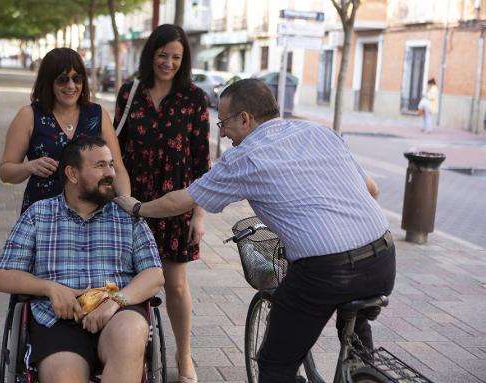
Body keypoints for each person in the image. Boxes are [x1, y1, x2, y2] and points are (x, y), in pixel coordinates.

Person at [115, 78, 396, 383]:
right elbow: (372, 190)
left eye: (223, 122)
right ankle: (363, 369)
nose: (221, 131)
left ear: (245, 119)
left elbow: (179, 201)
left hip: (325, 272)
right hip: (383, 257)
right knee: (354, 325)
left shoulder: (244, 157)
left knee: (275, 365)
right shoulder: (319, 131)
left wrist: (138, 207)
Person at [0, 136, 164, 383]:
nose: (110, 173)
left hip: (117, 312)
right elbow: (3, 276)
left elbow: (154, 274)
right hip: (58, 321)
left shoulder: (127, 217)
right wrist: (50, 288)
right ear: (72, 174)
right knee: (64, 376)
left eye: (111, 165)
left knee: (131, 331)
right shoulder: (39, 215)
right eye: (100, 166)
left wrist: (115, 302)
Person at [113, 24, 210, 383]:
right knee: (128, 280)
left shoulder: (194, 99)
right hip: (131, 204)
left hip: (174, 206)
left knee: (176, 285)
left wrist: (199, 214)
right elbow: (115, 149)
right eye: (162, 54)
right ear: (150, 53)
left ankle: (184, 357)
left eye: (175, 57)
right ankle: (127, 350)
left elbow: (202, 163)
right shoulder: (130, 92)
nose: (167, 62)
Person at [0, 47, 130, 214]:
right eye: (62, 79)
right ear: (48, 82)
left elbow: (118, 169)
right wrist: (29, 167)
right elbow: (6, 172)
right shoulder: (29, 115)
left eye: (77, 79)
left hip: (94, 215)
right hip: (44, 216)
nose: (71, 86)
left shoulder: (97, 114)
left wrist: (127, 204)